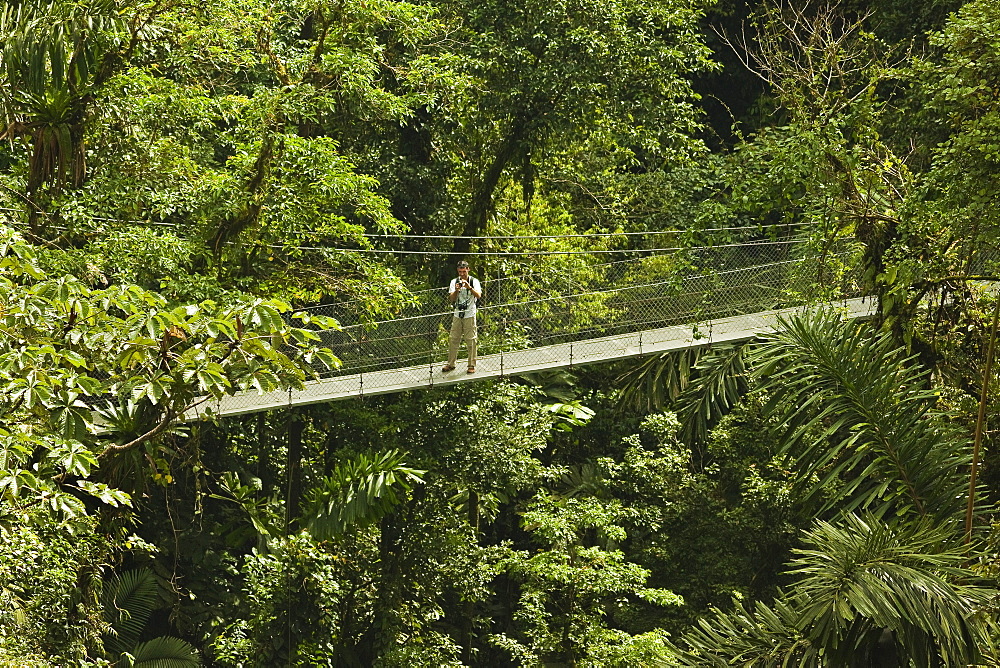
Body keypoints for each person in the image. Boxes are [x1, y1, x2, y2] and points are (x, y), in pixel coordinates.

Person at [442, 260, 482, 373]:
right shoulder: (454, 282)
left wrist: (469, 287)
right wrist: (457, 290)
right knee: (453, 339)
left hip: (470, 314)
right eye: (460, 272)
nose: (462, 274)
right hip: (457, 314)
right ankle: (451, 364)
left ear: (468, 269)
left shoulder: (474, 281)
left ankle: (471, 365)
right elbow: (452, 298)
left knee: (471, 340)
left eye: (464, 271)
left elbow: (478, 296)